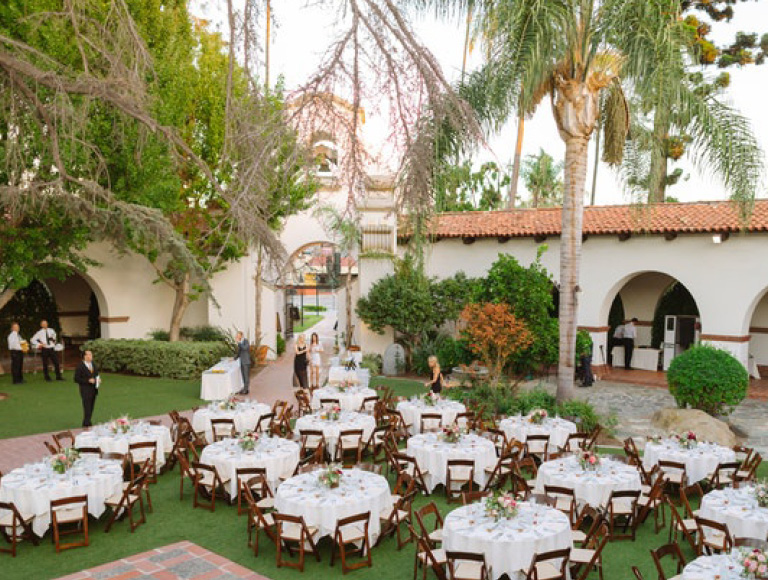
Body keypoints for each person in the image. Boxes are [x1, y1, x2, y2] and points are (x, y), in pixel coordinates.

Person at [74, 350, 100, 427]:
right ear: (84, 356)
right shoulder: (80, 366)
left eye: (91, 355)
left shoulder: (93, 365)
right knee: (87, 406)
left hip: (93, 389)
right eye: (88, 355)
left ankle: (88, 421)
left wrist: (98, 379)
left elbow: (96, 374)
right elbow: (76, 378)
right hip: (85, 390)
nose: (90, 356)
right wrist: (87, 380)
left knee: (91, 406)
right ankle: (86, 423)